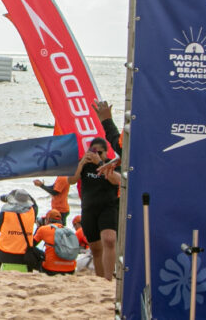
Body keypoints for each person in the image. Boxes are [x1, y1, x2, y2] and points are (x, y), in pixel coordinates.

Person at [72, 99, 123, 281]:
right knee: (95, 248)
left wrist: (101, 163)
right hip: (89, 208)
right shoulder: (85, 165)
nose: (97, 154)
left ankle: (109, 279)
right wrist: (81, 163)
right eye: (94, 151)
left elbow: (116, 180)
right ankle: (102, 280)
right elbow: (71, 180)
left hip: (109, 207)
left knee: (109, 240)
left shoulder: (112, 163)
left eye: (101, 152)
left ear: (106, 153)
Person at [0, 188, 39, 271]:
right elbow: (34, 204)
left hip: (5, 255)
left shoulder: (5, 210)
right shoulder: (33, 211)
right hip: (25, 257)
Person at [33, 209, 76, 275]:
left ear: (47, 220)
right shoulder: (69, 231)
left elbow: (31, 244)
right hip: (70, 270)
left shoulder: (43, 229)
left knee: (31, 251)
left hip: (51, 269)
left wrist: (38, 227)